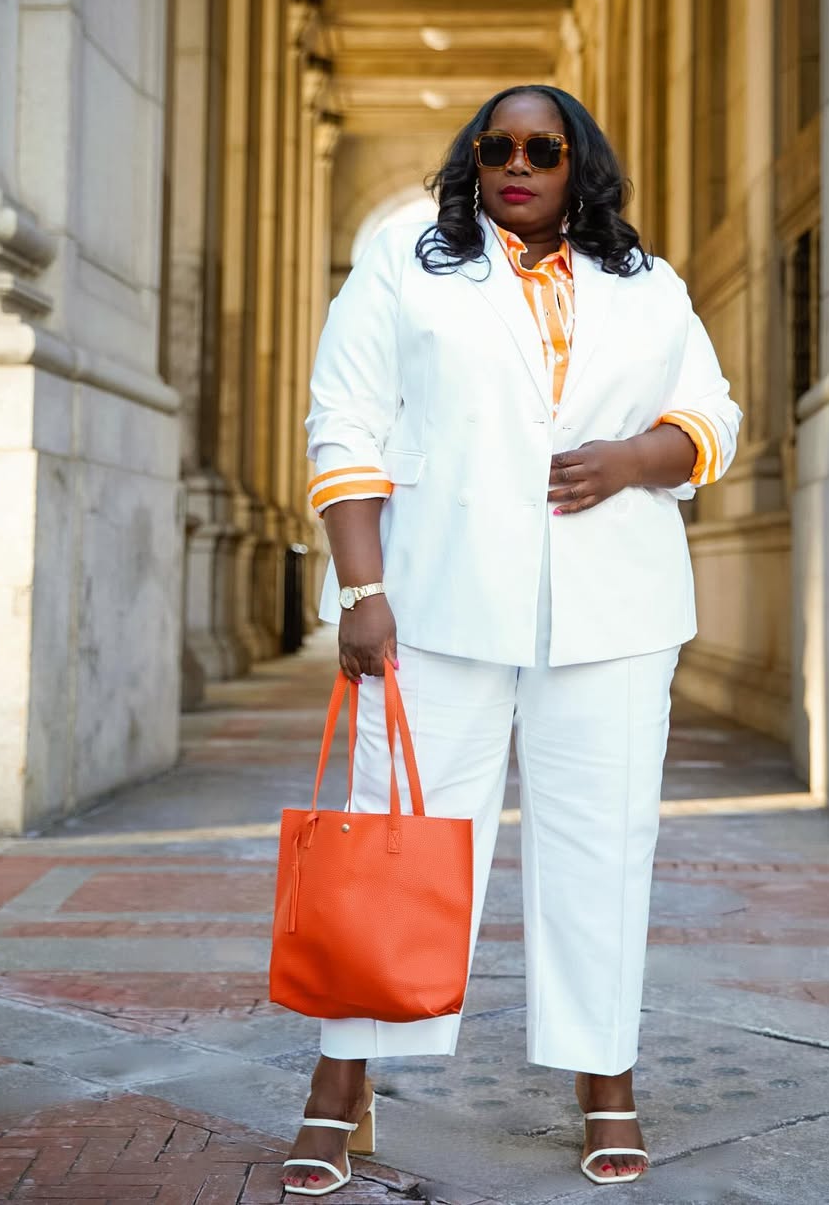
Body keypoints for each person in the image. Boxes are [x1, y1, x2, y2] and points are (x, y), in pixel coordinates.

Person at [282, 84, 741, 1195]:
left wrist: (635, 459)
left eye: (545, 148)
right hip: (438, 603)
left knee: (604, 843)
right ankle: (347, 1076)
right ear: (473, 160)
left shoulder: (646, 281)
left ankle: (604, 1073)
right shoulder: (407, 260)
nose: (519, 164)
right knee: (400, 839)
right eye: (498, 147)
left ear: (581, 163)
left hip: (617, 608)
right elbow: (344, 416)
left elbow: (713, 413)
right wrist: (363, 591)